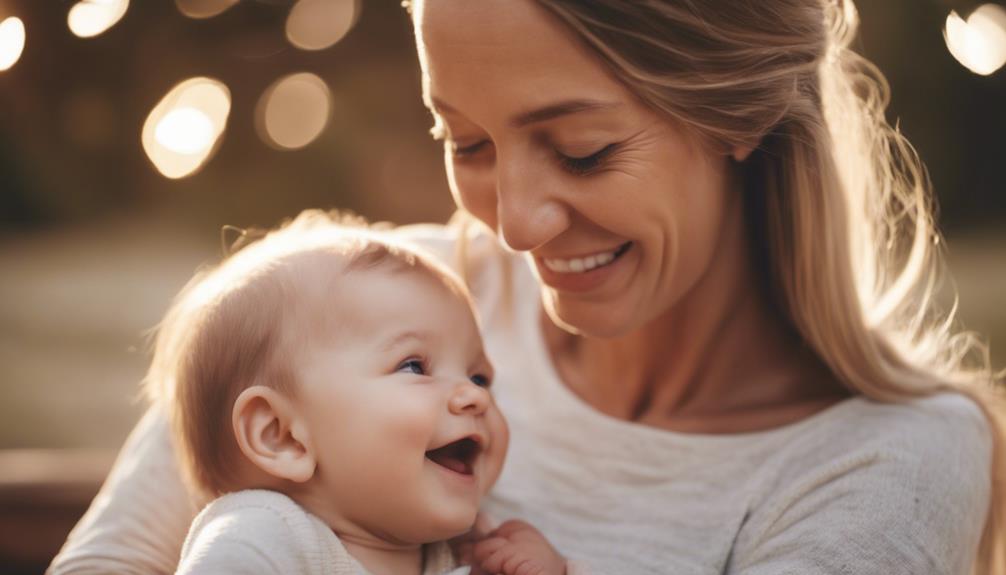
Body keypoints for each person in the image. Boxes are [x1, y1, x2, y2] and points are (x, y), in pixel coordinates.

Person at [50, 0, 1004, 573]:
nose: (511, 225)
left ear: (737, 112)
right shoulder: (333, 306)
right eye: (465, 142)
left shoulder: (885, 459)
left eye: (583, 151)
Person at [125, 212, 570, 575]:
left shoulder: (471, 552)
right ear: (282, 436)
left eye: (479, 377)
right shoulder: (260, 539)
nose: (475, 398)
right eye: (414, 365)